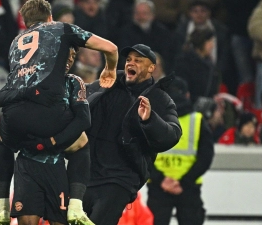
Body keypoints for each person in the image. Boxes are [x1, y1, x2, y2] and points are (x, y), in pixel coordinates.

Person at [0, 0, 118, 224]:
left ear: (24, 21)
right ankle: (76, 207)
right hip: (45, 113)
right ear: (50, 17)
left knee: (5, 142)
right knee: (81, 142)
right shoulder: (60, 28)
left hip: (13, 115)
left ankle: (1, 206)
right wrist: (110, 68)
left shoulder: (15, 41)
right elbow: (111, 48)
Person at [82, 44, 182, 225]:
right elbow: (77, 102)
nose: (130, 63)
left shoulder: (160, 99)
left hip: (119, 180)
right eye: (128, 59)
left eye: (138, 60)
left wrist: (150, 119)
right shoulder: (106, 85)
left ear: (152, 68)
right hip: (86, 175)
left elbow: (172, 135)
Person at [147, 77, 214, 225]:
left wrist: (160, 179)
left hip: (158, 187)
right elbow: (206, 156)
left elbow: (140, 153)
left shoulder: (150, 118)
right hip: (188, 188)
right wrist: (185, 182)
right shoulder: (197, 120)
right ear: (188, 95)